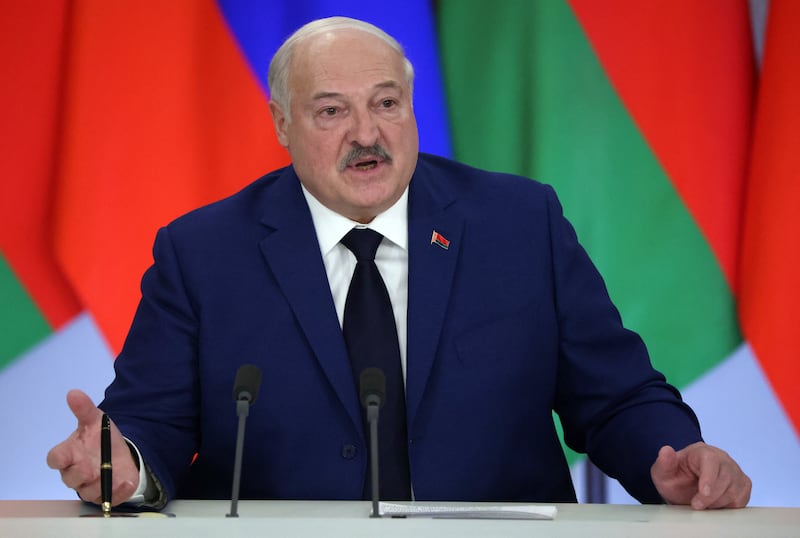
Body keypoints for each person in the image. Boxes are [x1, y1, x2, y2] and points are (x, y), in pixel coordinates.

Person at [47, 16, 751, 511]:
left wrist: (674, 457)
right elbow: (149, 426)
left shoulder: (517, 224)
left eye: (387, 104)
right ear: (281, 125)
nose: (368, 134)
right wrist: (122, 465)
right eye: (331, 112)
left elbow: (619, 396)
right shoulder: (202, 252)